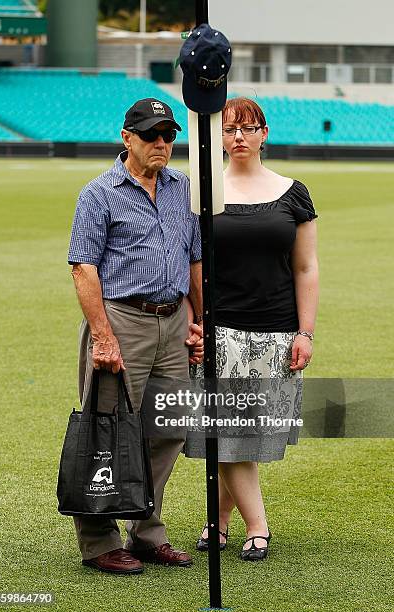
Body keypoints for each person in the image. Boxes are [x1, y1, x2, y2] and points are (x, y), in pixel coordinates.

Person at [67, 97, 204, 575]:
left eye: (168, 136)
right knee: (104, 429)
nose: (162, 144)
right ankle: (99, 541)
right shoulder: (99, 192)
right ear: (127, 138)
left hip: (174, 321)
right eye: (151, 136)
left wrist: (200, 320)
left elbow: (194, 260)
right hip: (121, 319)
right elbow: (83, 268)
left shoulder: (182, 187)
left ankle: (146, 532)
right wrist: (103, 336)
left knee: (168, 430)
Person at [185, 97, 319, 561]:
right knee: (228, 431)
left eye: (247, 128)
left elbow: (305, 267)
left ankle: (217, 521)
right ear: (217, 138)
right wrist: (195, 320)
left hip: (276, 331)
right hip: (220, 331)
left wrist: (306, 332)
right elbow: (188, 264)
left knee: (248, 433)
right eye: (228, 129)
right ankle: (257, 526)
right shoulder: (202, 191)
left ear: (264, 133)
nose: (238, 137)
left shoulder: (293, 192)